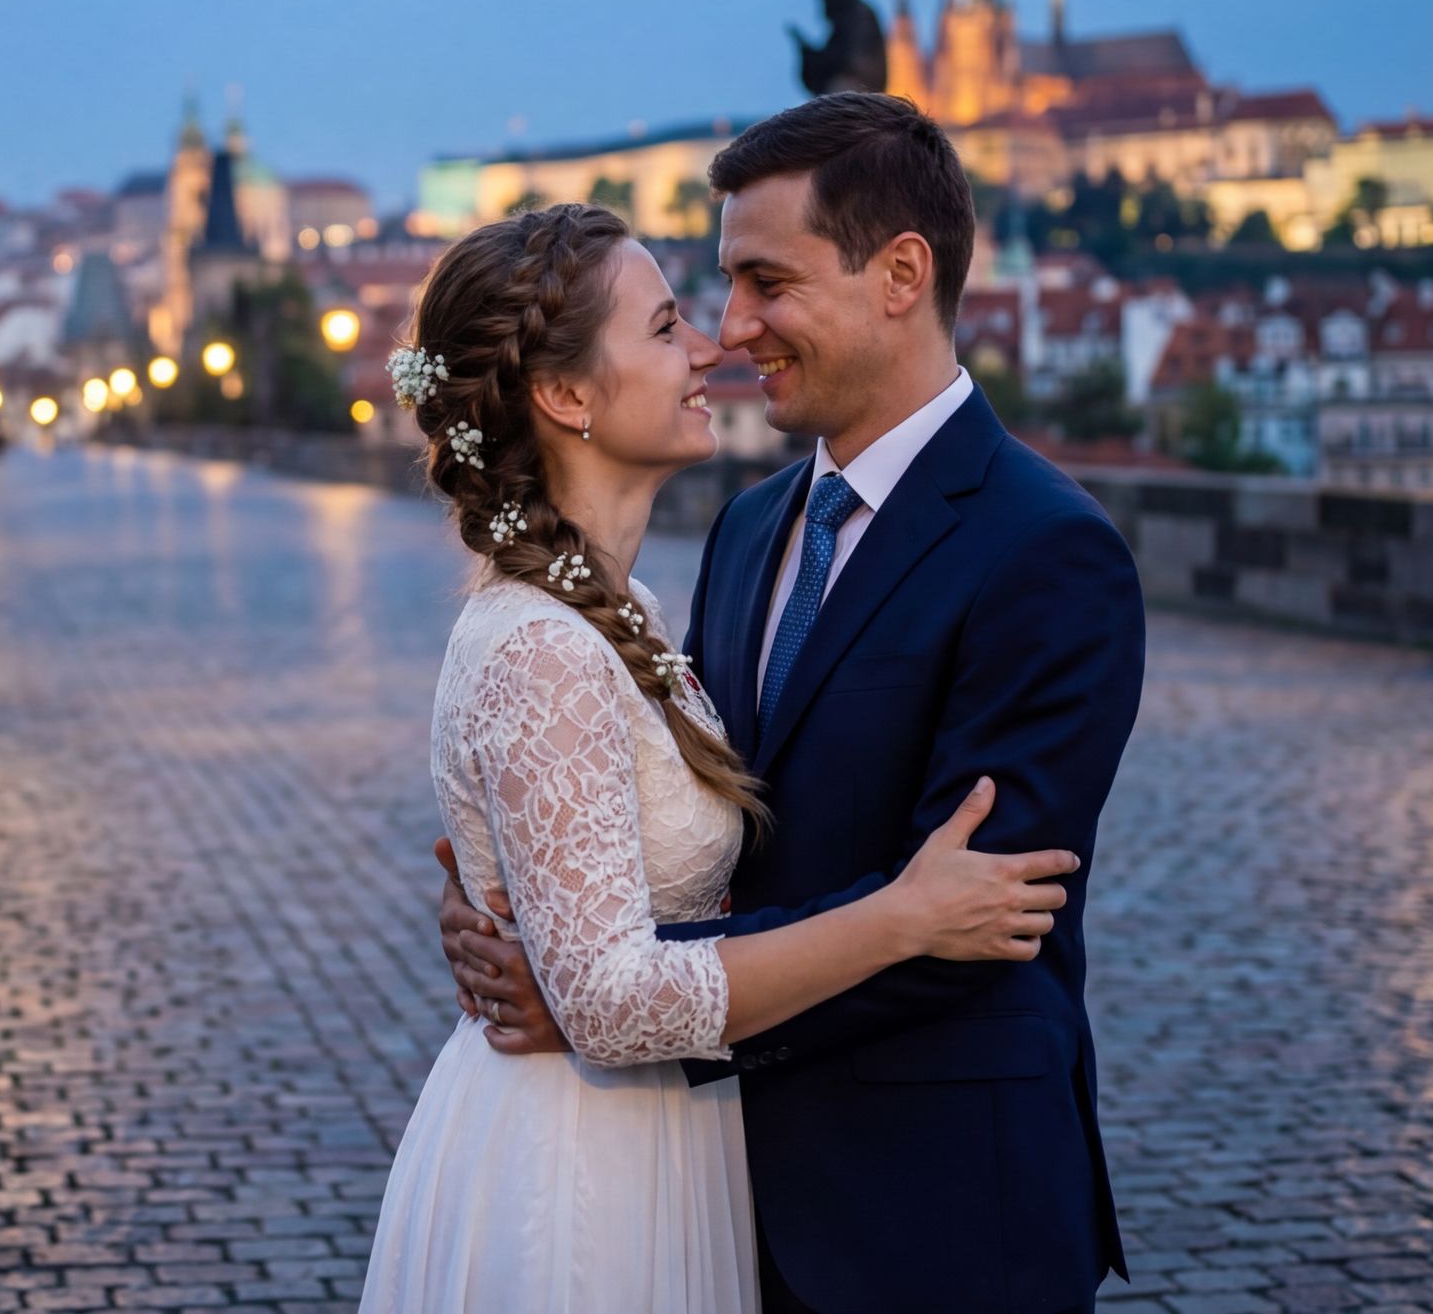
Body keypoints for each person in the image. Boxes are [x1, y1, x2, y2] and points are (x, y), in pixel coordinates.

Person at [435, 93, 1145, 1313]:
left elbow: (973, 919)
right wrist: (538, 922)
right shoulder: (749, 527)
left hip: (932, 1217)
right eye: (721, 288)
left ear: (901, 275)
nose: (733, 329)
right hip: (713, 1198)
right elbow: (688, 822)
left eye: (768, 282)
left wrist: (599, 994)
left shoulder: (1047, 551)